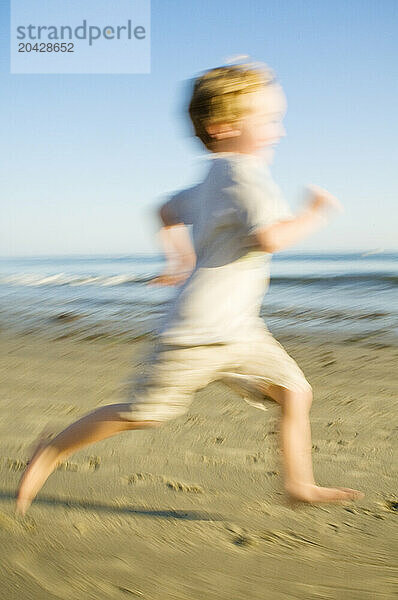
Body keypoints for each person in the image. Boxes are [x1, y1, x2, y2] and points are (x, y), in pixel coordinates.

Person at [16, 62, 363, 515]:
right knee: (143, 413)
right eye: (268, 120)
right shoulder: (244, 177)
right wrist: (315, 212)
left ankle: (299, 484)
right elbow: (270, 238)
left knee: (295, 391)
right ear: (223, 128)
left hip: (240, 329)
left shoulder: (211, 180)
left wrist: (177, 258)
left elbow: (164, 211)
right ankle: (52, 449)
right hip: (197, 333)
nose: (278, 131)